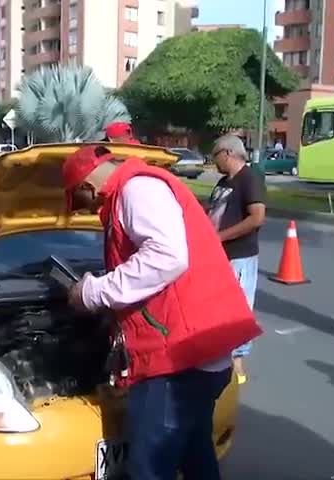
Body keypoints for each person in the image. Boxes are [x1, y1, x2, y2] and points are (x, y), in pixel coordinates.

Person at [63, 145, 261, 479]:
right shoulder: (140, 188)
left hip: (179, 358)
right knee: (196, 454)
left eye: (82, 202)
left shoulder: (136, 190)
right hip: (202, 349)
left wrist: (93, 291)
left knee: (148, 468)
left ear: (87, 186)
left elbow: (167, 257)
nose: (88, 209)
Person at [207, 134, 266, 384]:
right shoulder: (223, 182)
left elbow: (256, 218)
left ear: (228, 153)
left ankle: (237, 364)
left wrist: (221, 237)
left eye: (216, 155)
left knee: (238, 308)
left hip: (239, 256)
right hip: (218, 256)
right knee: (217, 308)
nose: (214, 161)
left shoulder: (249, 179)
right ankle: (219, 357)